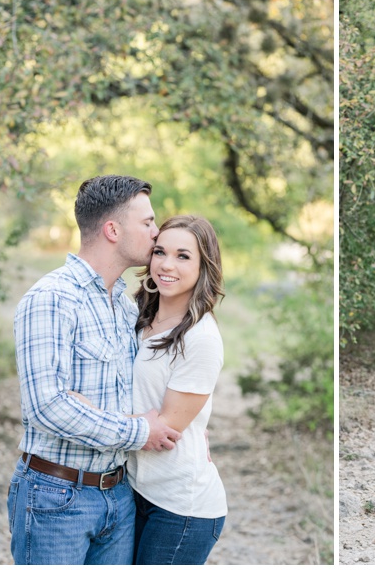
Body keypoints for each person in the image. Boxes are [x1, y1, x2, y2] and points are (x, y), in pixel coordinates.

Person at [7, 175, 182, 565]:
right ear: (113, 230)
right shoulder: (52, 298)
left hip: (118, 495)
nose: (156, 233)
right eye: (148, 223)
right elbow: (48, 407)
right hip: (56, 496)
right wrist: (139, 431)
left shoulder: (124, 305)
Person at [127, 215, 228, 564]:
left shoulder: (200, 338)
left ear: (204, 266)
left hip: (181, 507)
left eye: (183, 256)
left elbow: (164, 431)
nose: (167, 265)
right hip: (134, 489)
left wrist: (89, 414)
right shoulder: (137, 316)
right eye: (160, 252)